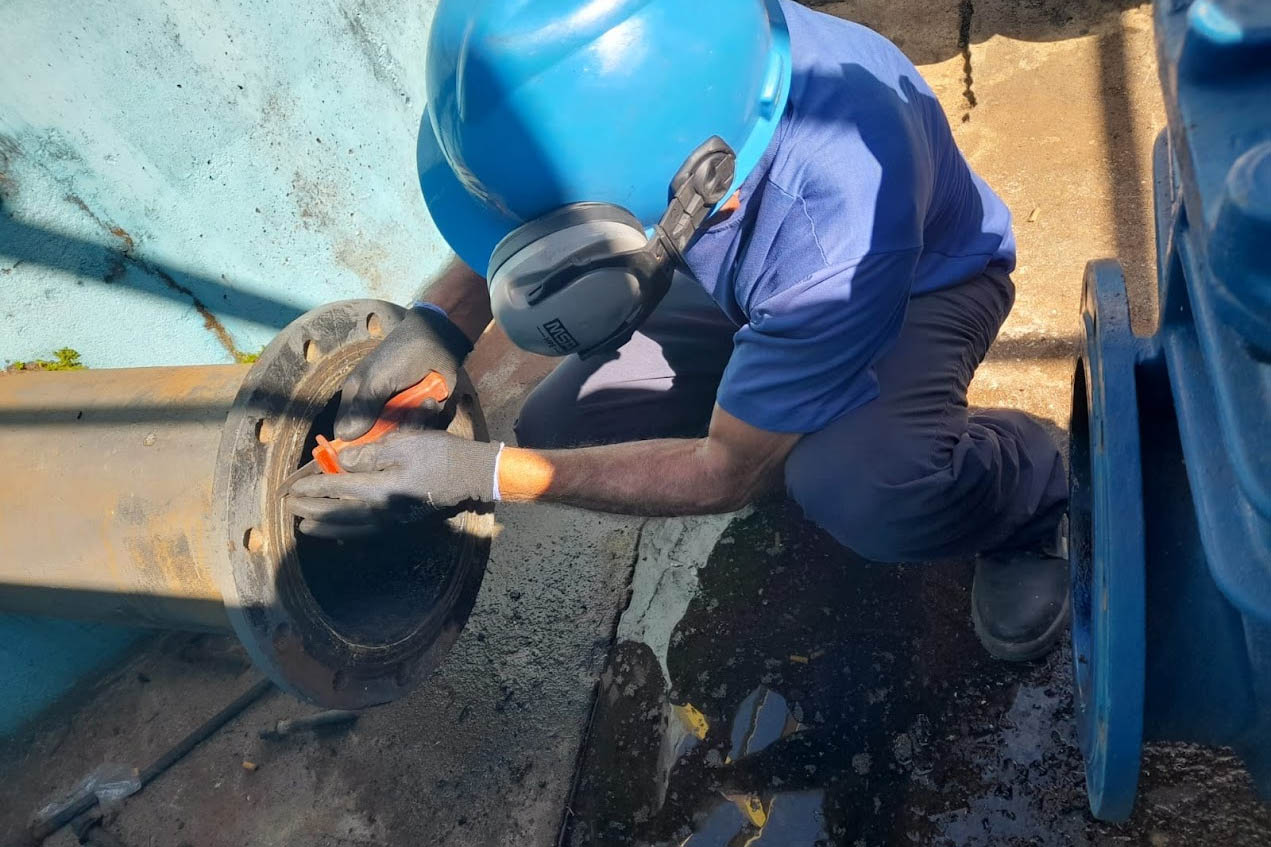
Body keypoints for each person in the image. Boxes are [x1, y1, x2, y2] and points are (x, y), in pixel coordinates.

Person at [286, 0, 1070, 661]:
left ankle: (1029, 494)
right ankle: (780, 418)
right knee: (564, 425)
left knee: (854, 487)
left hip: (917, 290)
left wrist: (479, 473)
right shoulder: (678, 48)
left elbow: (722, 473)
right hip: (733, 284)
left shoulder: (839, 226)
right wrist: (436, 327)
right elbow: (522, 214)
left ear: (705, 190)